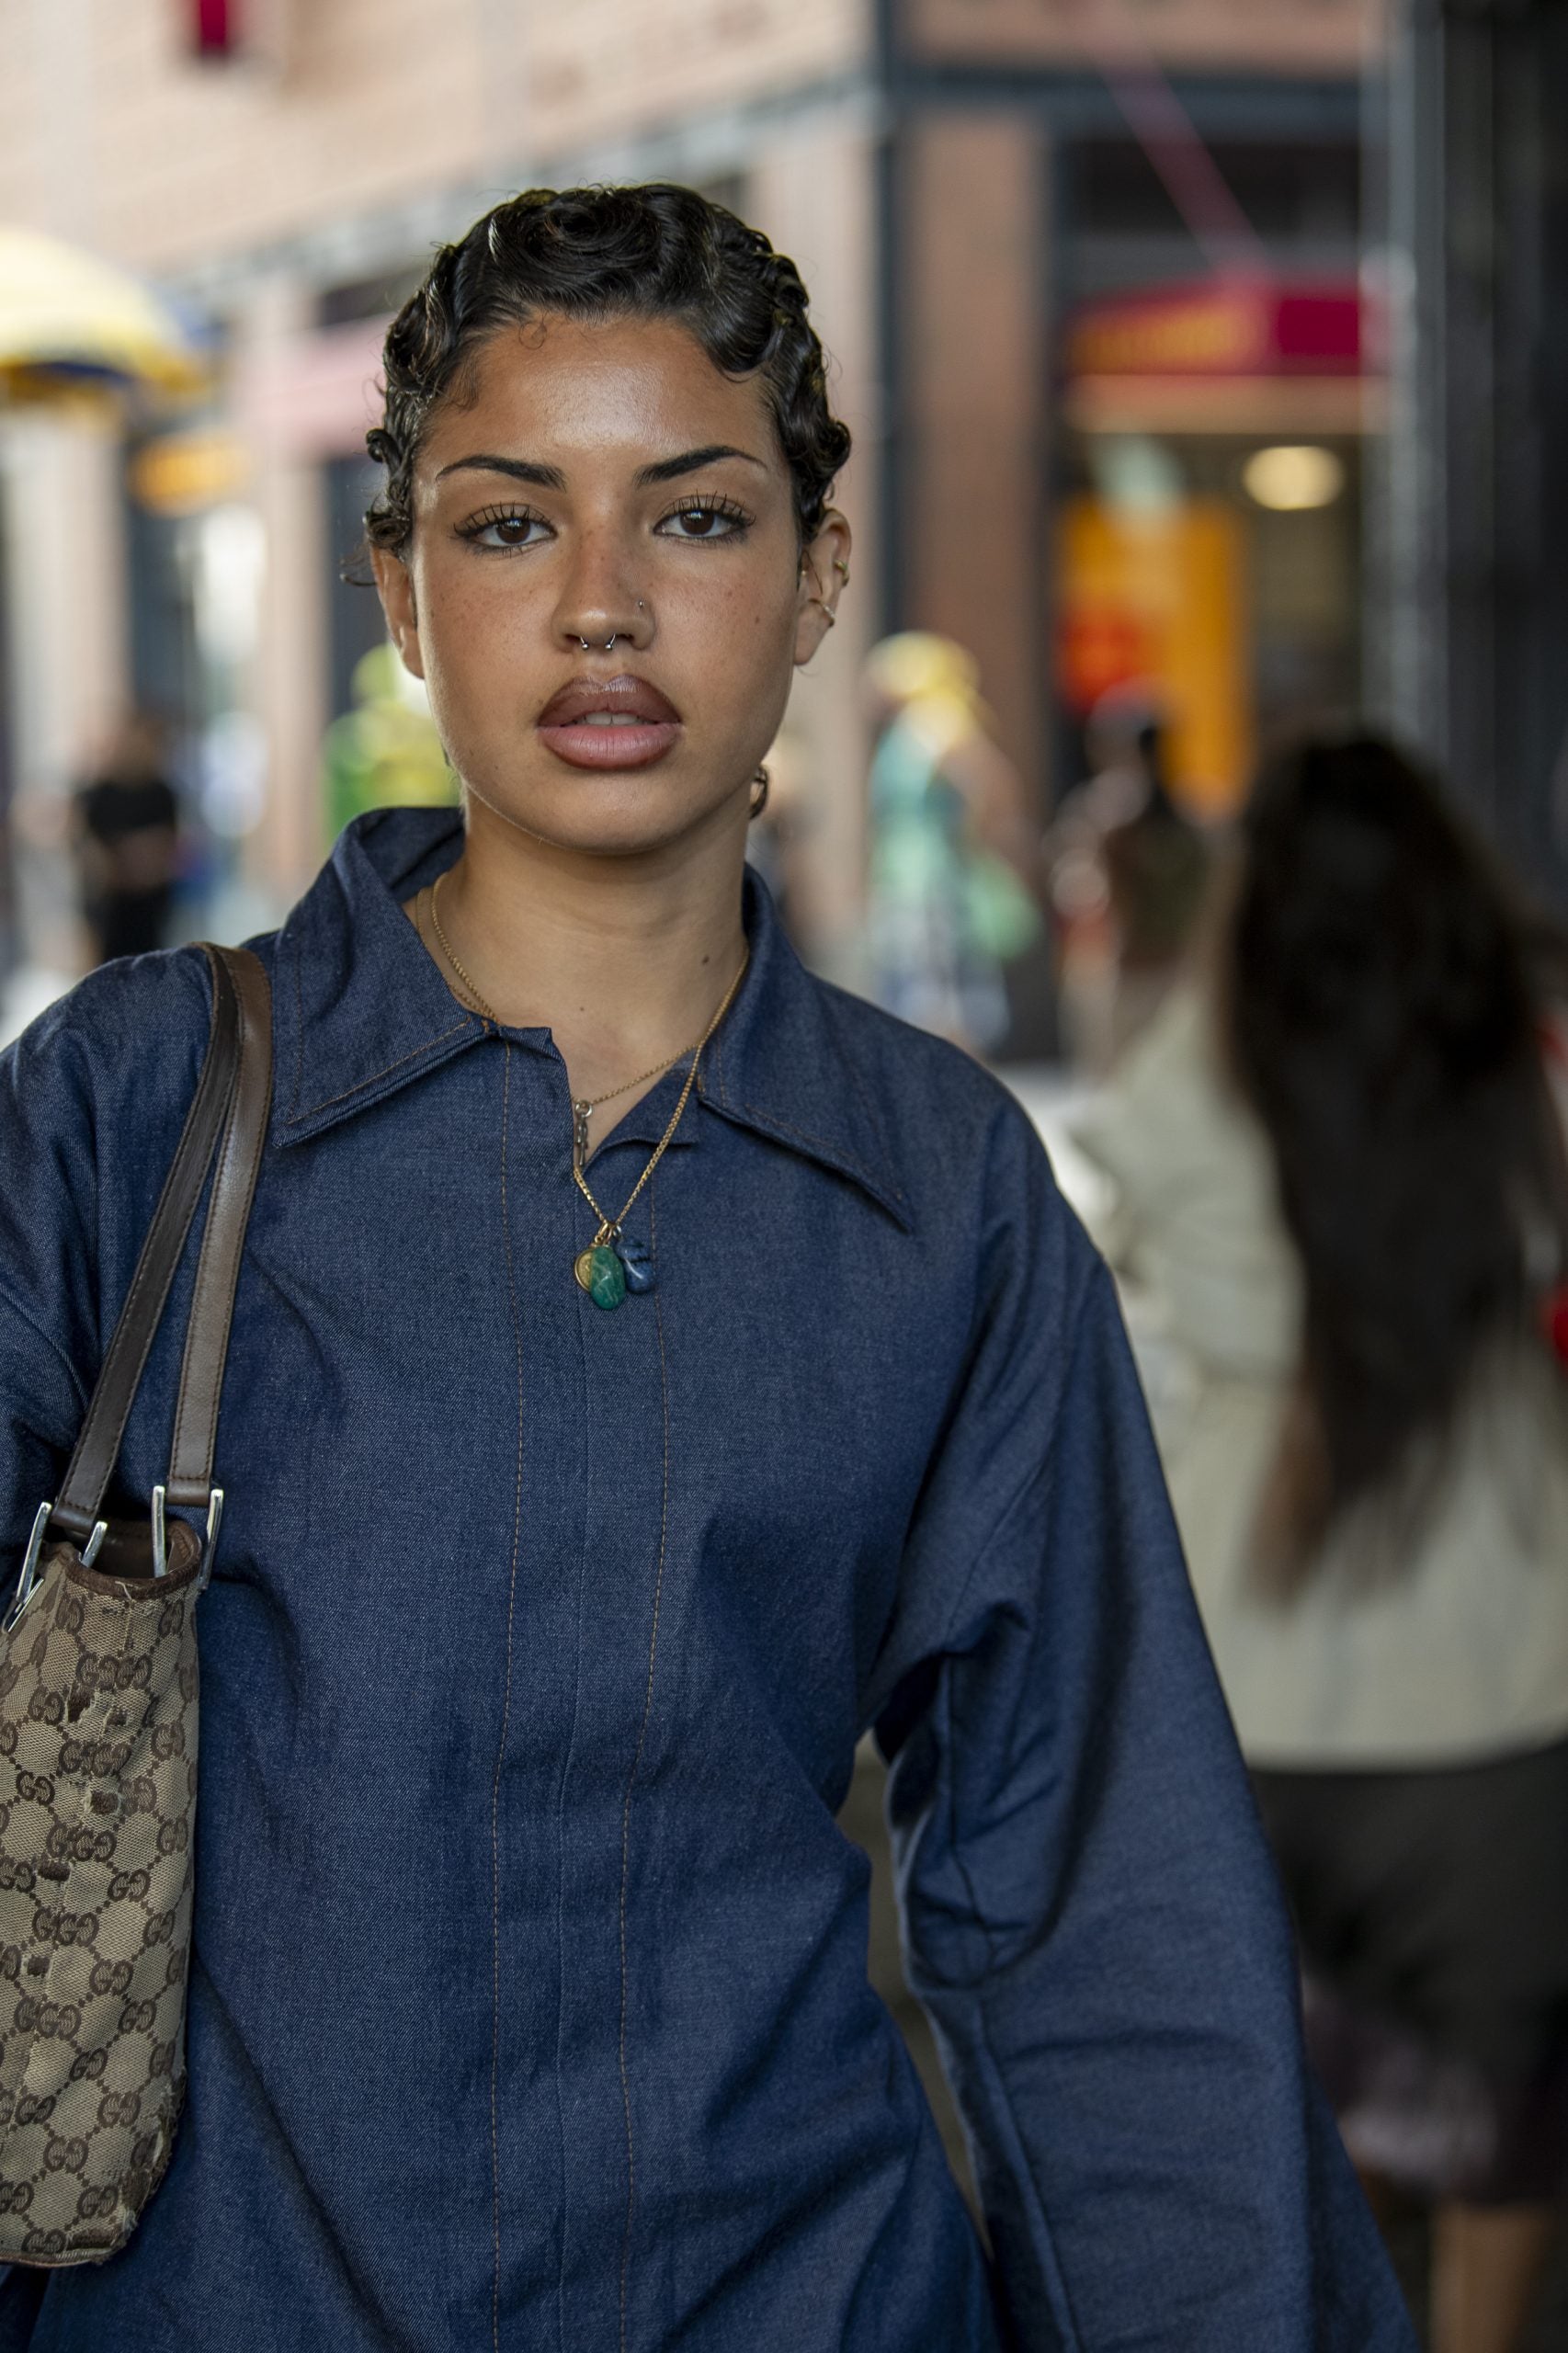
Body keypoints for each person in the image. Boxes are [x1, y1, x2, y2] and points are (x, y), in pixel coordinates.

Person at [0, 188, 1412, 2351]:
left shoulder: (934, 1186)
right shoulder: (128, 1113)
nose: (596, 609)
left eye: (691, 519)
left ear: (815, 572)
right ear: (393, 585)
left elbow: (1096, 1917)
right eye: (501, 526)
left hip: (796, 2290)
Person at [1075, 733, 1568, 2353]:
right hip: (1501, 1686)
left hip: (1242, 1689)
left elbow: (1125, 1225)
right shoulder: (1520, 1064)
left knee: (1296, 2100)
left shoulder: (1197, 1064)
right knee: (1503, 2122)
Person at [863, 631, 1041, 1053]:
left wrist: (975, 840)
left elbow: (993, 786)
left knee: (938, 999)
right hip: (911, 882)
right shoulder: (914, 727)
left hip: (933, 886)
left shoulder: (934, 723)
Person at [1046, 693, 1210, 1074]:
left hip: (1126, 975)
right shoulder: (1195, 823)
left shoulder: (1106, 819)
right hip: (1175, 976)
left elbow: (1079, 897)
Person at [72, 712, 181, 965]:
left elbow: (167, 844)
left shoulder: (161, 792)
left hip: (150, 902)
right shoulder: (101, 794)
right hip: (114, 903)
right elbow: (90, 846)